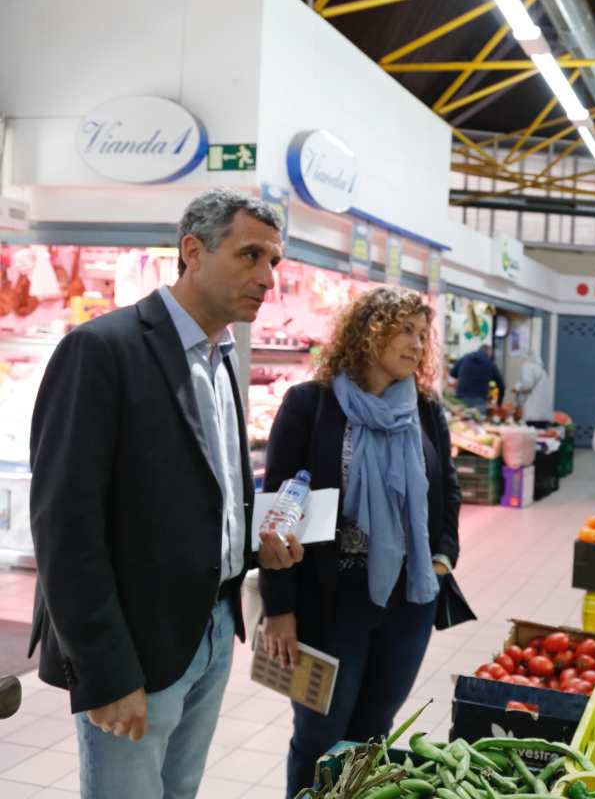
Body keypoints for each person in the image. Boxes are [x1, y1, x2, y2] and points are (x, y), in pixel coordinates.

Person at [27, 189, 304, 799]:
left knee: (179, 791)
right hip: (135, 643)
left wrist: (254, 546)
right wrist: (104, 671)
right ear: (192, 251)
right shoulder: (103, 350)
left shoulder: (222, 358)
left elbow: (208, 492)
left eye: (274, 262)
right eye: (250, 256)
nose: (267, 278)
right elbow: (64, 526)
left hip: (211, 629)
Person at [259, 286, 462, 798]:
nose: (417, 344)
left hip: (408, 599)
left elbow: (448, 490)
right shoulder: (311, 405)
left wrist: (441, 557)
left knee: (373, 733)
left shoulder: (425, 410)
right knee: (319, 736)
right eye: (405, 330)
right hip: (329, 599)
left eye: (423, 334)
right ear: (369, 332)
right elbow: (277, 512)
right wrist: (279, 608)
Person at [449, 344, 504, 409]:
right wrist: (499, 404)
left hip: (461, 399)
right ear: (489, 353)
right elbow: (501, 386)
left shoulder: (465, 358)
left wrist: (463, 376)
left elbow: (452, 373)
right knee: (478, 418)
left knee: (461, 418)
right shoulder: (490, 363)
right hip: (479, 401)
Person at [513, 352, 552, 426]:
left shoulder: (528, 366)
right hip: (544, 415)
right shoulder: (542, 370)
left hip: (532, 414)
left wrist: (517, 388)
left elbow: (527, 385)